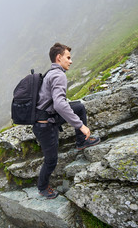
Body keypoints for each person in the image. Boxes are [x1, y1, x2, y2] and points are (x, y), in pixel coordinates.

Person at [33, 43, 100, 199]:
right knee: (51, 161)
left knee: (79, 107)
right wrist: (81, 125)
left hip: (46, 119)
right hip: (45, 126)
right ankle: (42, 187)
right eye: (68, 57)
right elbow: (59, 104)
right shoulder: (58, 75)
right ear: (59, 57)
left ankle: (81, 142)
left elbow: (55, 100)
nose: (71, 61)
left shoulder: (51, 73)